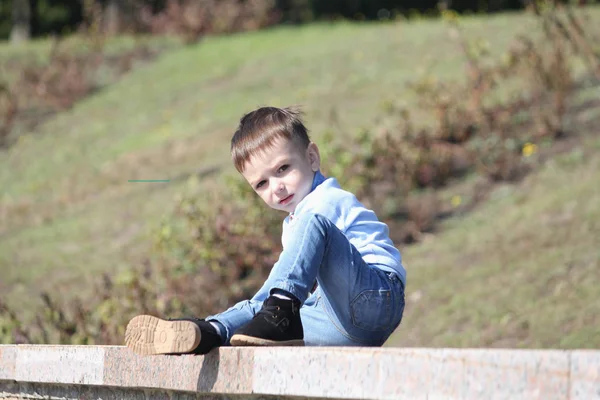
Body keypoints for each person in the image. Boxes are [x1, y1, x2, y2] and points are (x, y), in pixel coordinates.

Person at [125, 106, 406, 355]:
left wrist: (277, 299)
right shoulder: (294, 224)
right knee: (264, 306)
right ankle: (209, 332)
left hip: (376, 296)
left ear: (311, 158)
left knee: (283, 289)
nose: (276, 188)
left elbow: (309, 253)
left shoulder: (325, 200)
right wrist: (260, 306)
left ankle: (275, 311)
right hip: (340, 323)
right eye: (261, 184)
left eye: (283, 168)